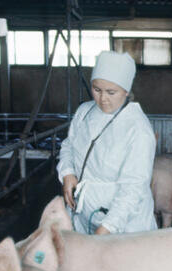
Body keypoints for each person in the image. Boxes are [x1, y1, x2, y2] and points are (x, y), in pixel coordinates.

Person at [56, 51, 157, 235]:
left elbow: (134, 187)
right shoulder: (85, 111)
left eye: (111, 92)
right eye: (97, 90)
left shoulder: (138, 129)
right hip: (84, 215)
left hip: (123, 225)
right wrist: (68, 173)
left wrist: (108, 227)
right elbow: (68, 146)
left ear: (126, 91)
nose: (103, 99)